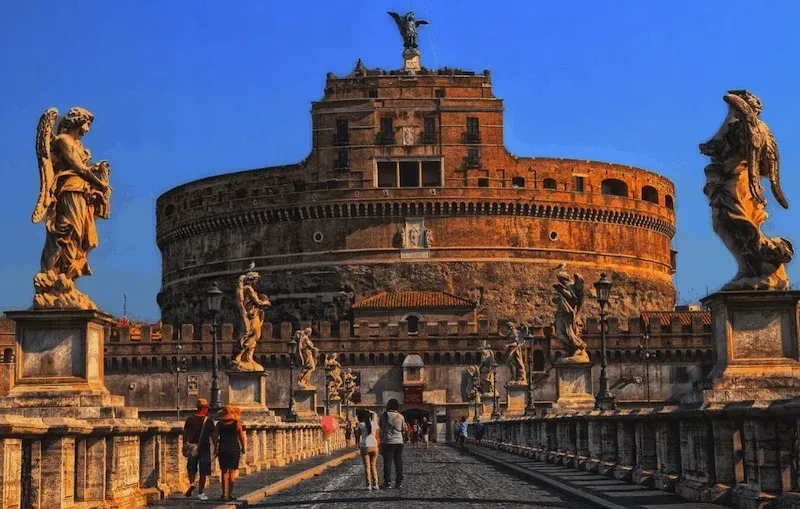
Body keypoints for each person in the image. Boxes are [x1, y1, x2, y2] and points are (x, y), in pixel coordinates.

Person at [183, 398, 215, 501]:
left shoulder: (189, 419)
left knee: (191, 468)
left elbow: (185, 433)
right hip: (204, 448)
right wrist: (216, 446)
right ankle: (200, 493)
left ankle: (192, 483)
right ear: (205, 408)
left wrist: (185, 445)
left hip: (192, 447)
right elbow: (213, 435)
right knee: (203, 472)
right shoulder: (209, 421)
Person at [212, 405, 246, 501]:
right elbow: (241, 437)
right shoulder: (236, 423)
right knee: (232, 472)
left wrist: (215, 448)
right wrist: (243, 447)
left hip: (223, 448)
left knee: (224, 472)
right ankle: (230, 494)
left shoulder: (219, 424)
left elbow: (215, 438)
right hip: (234, 448)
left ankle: (223, 494)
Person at [379, 398, 406, 489]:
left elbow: (381, 427)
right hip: (399, 442)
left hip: (388, 442)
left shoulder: (383, 416)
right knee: (398, 462)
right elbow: (403, 429)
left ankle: (387, 482)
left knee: (387, 463)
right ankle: (399, 482)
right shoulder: (400, 416)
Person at [357, 409, 380, 490]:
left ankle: (368, 484)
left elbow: (358, 435)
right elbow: (377, 435)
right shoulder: (375, 424)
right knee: (373, 465)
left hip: (365, 445)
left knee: (367, 466)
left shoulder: (361, 425)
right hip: (374, 446)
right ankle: (376, 484)